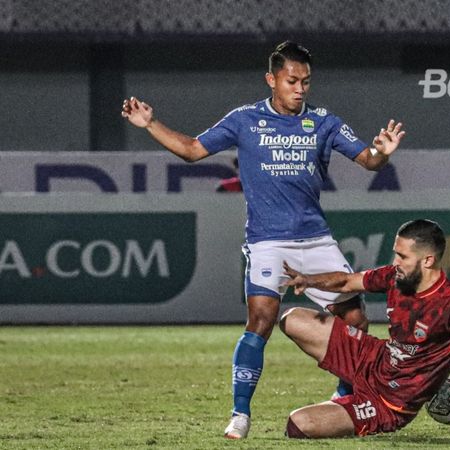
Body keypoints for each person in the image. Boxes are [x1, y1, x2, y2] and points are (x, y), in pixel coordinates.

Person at [120, 40, 406, 439]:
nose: (301, 88)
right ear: (272, 79)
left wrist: (384, 151)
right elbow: (191, 150)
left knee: (355, 318)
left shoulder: (324, 122)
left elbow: (369, 160)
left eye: (306, 81)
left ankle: (344, 397)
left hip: (315, 240)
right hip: (268, 241)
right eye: (292, 80)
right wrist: (150, 124)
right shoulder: (245, 120)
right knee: (261, 319)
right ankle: (240, 414)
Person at [279, 219, 450, 439]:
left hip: (389, 402)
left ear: (428, 260)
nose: (396, 261)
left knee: (299, 424)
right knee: (292, 319)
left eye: (403, 256)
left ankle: (347, 406)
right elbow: (346, 282)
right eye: (396, 253)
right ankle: (347, 395)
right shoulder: (395, 277)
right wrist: (308, 280)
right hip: (372, 358)